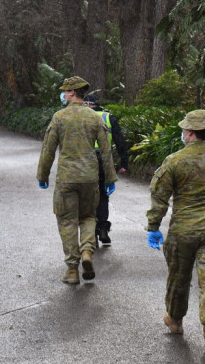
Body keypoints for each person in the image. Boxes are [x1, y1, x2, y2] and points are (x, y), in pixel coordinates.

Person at [146, 110, 205, 350]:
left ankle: (175, 321)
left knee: (179, 278)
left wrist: (154, 226)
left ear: (188, 132)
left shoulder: (174, 161)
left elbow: (159, 196)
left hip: (183, 230)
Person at [37, 76, 118, 285]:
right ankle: (87, 252)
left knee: (67, 220)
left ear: (73, 92)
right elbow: (106, 151)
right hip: (90, 177)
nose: (63, 95)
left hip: (67, 178)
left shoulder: (59, 118)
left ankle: (72, 270)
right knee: (89, 217)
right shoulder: (95, 118)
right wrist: (110, 178)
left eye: (65, 91)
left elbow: (48, 150)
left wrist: (42, 175)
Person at [84, 93, 129, 247]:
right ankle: (103, 228)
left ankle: (90, 233)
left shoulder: (83, 117)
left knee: (88, 196)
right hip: (104, 161)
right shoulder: (108, 117)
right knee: (103, 195)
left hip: (86, 162)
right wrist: (124, 163)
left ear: (89, 104)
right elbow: (120, 141)